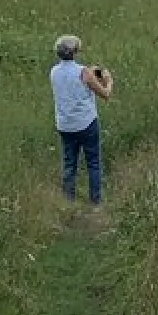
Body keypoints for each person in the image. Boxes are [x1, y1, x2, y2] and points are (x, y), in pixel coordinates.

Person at [49, 34, 113, 206]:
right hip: (86, 123)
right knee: (93, 162)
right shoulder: (84, 72)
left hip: (64, 124)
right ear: (75, 51)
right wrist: (108, 80)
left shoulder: (54, 72)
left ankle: (68, 201)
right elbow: (105, 94)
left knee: (69, 163)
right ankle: (95, 202)